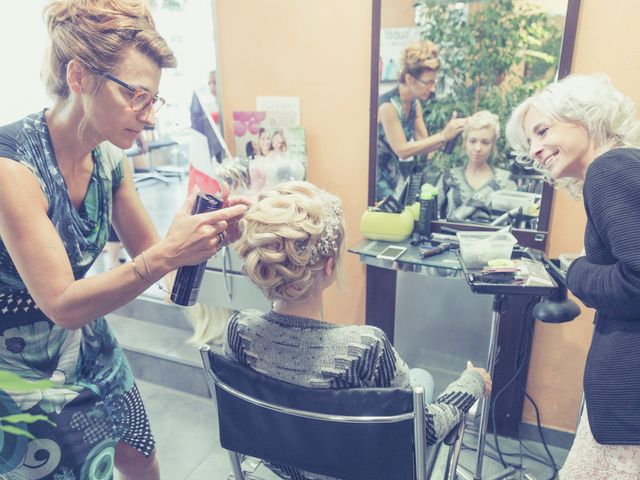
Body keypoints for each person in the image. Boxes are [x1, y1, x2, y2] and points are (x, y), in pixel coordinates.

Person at [0, 1, 248, 479]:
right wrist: (166, 253)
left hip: (87, 340)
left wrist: (200, 235)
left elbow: (160, 263)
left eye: (153, 100)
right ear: (78, 77)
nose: (148, 116)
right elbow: (62, 303)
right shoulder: (13, 168)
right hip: (18, 360)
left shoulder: (112, 161)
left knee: (141, 455)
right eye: (136, 95)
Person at [223, 181, 492, 480]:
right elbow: (425, 430)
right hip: (350, 471)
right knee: (421, 379)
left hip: (281, 466)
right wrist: (471, 383)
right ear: (329, 266)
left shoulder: (240, 331)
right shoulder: (365, 349)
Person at [505, 73, 640, 479]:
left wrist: (576, 271)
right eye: (530, 143)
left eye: (542, 131)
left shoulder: (609, 170)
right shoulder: (626, 165)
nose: (536, 150)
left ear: (582, 115)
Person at [376, 41, 468, 202]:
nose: (432, 88)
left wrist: (452, 135)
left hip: (401, 181)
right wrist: (443, 136)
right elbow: (402, 150)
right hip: (380, 182)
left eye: (434, 82)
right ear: (409, 79)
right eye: (428, 82)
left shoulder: (414, 103)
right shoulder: (387, 106)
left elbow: (425, 148)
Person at [437, 110, 517, 222]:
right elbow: (431, 216)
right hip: (449, 237)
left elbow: (511, 222)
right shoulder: (449, 177)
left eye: (485, 142)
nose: (478, 148)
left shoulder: (504, 180)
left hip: (491, 239)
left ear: (493, 145)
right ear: (464, 143)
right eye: (472, 141)